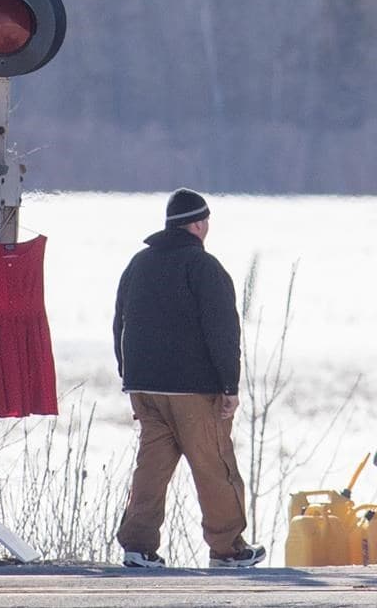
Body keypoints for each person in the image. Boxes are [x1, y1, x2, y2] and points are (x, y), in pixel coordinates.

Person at [112, 188, 265, 569]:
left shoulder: (138, 263)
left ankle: (138, 547)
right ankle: (228, 549)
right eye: (206, 220)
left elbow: (120, 322)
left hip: (144, 387)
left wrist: (128, 374)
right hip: (193, 390)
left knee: (152, 469)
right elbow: (222, 330)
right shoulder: (203, 266)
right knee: (214, 467)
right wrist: (229, 385)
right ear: (197, 225)